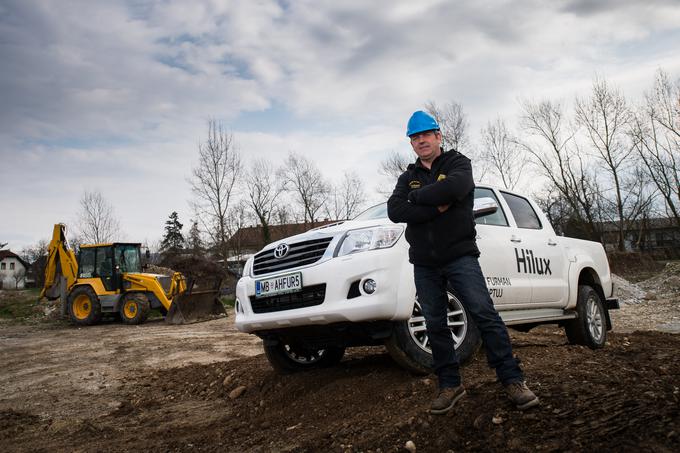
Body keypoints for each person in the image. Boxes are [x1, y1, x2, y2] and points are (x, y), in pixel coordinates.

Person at [387, 110, 539, 414]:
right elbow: (394, 210)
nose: (420, 141)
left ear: (438, 136)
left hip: (459, 255)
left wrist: (416, 201)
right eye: (415, 138)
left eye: (425, 135)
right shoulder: (408, 177)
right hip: (424, 262)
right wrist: (435, 206)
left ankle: (512, 379)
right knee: (434, 323)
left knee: (484, 313)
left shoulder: (458, 164)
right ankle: (450, 384)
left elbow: (454, 189)